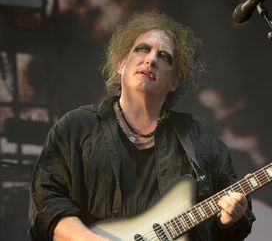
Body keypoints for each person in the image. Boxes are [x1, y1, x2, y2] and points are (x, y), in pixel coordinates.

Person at [28, 13, 255, 240]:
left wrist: (229, 220)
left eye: (164, 56)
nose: (151, 60)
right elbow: (46, 201)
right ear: (121, 64)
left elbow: (234, 216)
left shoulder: (199, 135)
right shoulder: (77, 126)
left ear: (174, 80)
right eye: (142, 49)